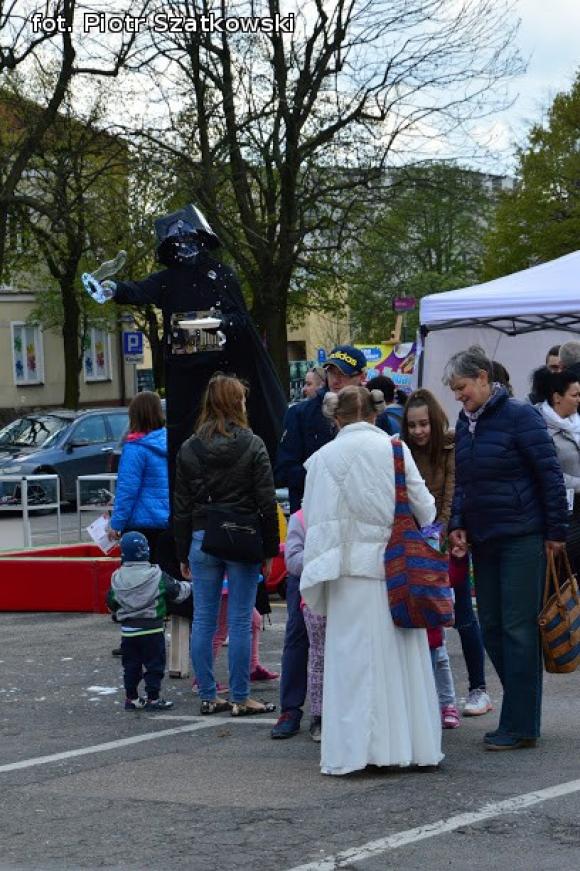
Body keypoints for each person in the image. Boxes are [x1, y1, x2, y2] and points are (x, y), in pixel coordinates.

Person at [83, 204, 287, 491]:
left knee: (226, 427)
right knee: (185, 436)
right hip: (184, 372)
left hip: (221, 369)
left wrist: (218, 322)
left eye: (190, 241)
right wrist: (112, 288)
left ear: (201, 240)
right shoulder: (169, 279)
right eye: (178, 243)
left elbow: (241, 320)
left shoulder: (220, 274)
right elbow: (139, 289)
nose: (185, 248)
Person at [300, 386, 442, 776]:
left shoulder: (321, 459)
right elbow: (426, 508)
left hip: (345, 571)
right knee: (400, 661)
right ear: (376, 415)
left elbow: (312, 517)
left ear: (336, 418)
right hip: (392, 567)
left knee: (350, 664)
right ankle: (410, 747)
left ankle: (352, 751)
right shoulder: (395, 450)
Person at [445, 346, 568, 751]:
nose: (458, 396)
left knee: (517, 629)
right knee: (494, 628)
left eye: (461, 387)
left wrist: (555, 532)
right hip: (485, 537)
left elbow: (549, 474)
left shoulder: (520, 415)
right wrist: (459, 522)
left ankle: (519, 723)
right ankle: (521, 715)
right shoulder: (466, 424)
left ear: (483, 377)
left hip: (521, 535)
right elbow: (463, 481)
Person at [271, 344, 367, 739]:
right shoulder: (301, 414)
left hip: (355, 535)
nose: (335, 379)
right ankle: (291, 708)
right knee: (299, 625)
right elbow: (284, 468)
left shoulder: (372, 419)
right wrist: (324, 477)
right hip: (311, 529)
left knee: (351, 626)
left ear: (361, 377)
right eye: (331, 372)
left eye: (343, 374)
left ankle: (339, 707)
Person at [173, 373, 279, 716]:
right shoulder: (253, 444)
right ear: (236, 404)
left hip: (203, 536)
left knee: (203, 618)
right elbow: (266, 501)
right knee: (239, 620)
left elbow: (181, 506)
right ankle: (240, 696)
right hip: (243, 536)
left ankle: (207, 693)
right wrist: (269, 549)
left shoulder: (189, 448)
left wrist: (181, 550)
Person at [401, 388, 491, 717]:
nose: (419, 431)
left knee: (463, 615)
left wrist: (442, 531)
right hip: (414, 545)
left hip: (449, 539)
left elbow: (454, 490)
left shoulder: (452, 445)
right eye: (412, 426)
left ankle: (478, 688)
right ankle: (432, 697)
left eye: (424, 424)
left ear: (435, 421)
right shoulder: (402, 451)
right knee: (422, 623)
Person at [106, 531, 191, 711]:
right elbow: (176, 592)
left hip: (128, 631)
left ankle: (132, 698)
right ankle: (153, 698)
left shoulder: (117, 577)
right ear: (146, 551)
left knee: (131, 666)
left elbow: (111, 602)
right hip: (152, 630)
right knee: (154, 665)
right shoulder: (156, 574)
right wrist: (191, 586)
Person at [109, 391, 169, 564]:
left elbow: (127, 491)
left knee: (138, 584)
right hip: (167, 523)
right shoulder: (170, 442)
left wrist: (116, 524)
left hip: (140, 525)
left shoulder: (135, 448)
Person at [282, 507, 326, 742]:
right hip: (309, 585)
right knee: (298, 638)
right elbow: (292, 560)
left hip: (340, 586)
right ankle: (292, 709)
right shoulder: (301, 517)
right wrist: (323, 553)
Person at [533, 366, 580, 576]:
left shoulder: (576, 423)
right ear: (557, 397)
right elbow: (547, 473)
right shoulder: (541, 428)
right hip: (563, 514)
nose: (579, 399)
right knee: (564, 576)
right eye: (575, 395)